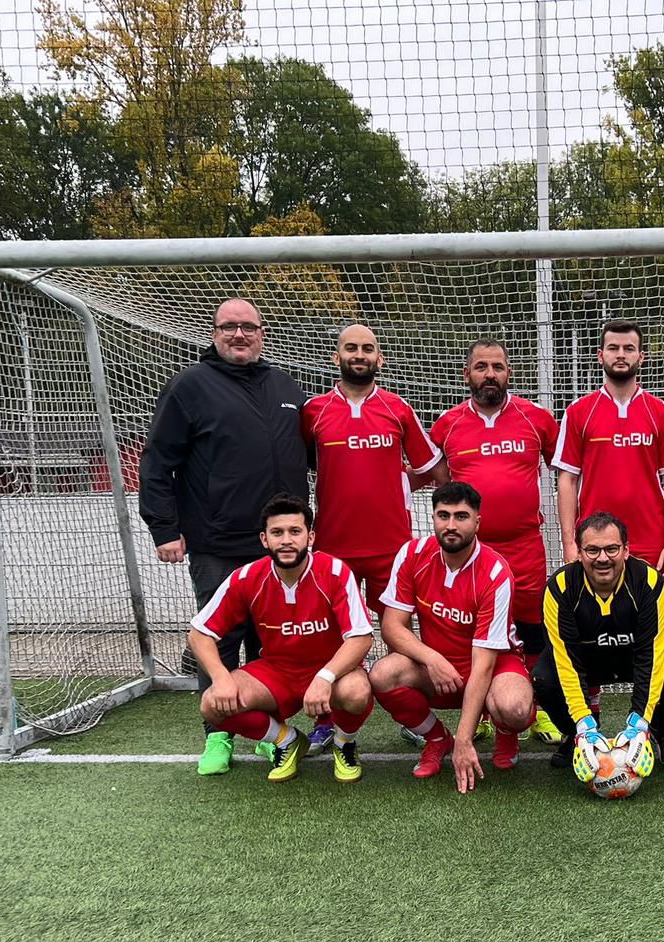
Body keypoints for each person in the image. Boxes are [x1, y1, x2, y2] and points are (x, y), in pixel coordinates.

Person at [139, 298, 313, 776]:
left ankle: (270, 731)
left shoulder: (285, 386)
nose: (239, 334)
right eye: (229, 326)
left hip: (281, 546)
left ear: (262, 333)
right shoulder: (190, 386)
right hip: (217, 542)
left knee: (269, 643)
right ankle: (217, 732)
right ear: (214, 333)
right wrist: (164, 527)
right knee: (218, 641)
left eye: (248, 327)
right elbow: (157, 461)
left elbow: (315, 456)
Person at [429, 338, 564, 746]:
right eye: (482, 367)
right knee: (475, 631)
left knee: (533, 629)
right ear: (466, 374)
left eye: (498, 367)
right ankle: (482, 710)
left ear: (509, 373)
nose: (490, 374)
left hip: (525, 547)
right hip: (472, 554)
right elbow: (438, 482)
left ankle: (538, 708)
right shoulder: (447, 425)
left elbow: (567, 471)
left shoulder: (537, 419)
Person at [187, 495, 374, 785]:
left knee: (356, 692)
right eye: (277, 532)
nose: (286, 540)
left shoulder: (335, 572)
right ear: (265, 539)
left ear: (310, 537)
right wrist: (221, 677)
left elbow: (361, 637)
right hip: (277, 672)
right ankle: (287, 740)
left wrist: (325, 677)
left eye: (295, 531)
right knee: (212, 704)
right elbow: (199, 633)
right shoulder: (247, 577)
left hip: (330, 670)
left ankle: (344, 743)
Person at [370, 482, 535, 791]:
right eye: (443, 515)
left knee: (515, 707)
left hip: (492, 665)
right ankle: (437, 738)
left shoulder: (495, 573)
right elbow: (391, 626)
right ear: (433, 517)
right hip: (439, 667)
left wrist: (465, 740)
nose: (450, 525)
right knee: (382, 674)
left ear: (477, 522)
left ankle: (505, 730)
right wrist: (432, 659)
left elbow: (484, 665)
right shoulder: (412, 554)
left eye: (461, 516)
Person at [533, 511, 664, 781]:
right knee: (543, 678)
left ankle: (659, 730)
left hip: (635, 653)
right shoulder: (559, 588)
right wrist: (582, 722)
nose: (602, 558)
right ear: (578, 553)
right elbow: (566, 661)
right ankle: (574, 734)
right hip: (585, 657)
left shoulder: (649, 582)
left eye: (611, 549)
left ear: (626, 550)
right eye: (592, 550)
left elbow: (652, 655)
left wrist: (640, 723)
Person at [301, 322, 443, 611]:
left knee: (396, 629)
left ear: (379, 359)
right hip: (333, 546)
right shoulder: (313, 410)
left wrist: (400, 483)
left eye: (367, 349)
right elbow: (299, 464)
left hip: (391, 546)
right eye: (351, 348)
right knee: (336, 630)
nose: (359, 355)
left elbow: (433, 468)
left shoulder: (398, 408)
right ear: (336, 357)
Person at [553, 320, 664, 577]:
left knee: (649, 605)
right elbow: (567, 480)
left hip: (649, 542)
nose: (621, 355)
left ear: (641, 357)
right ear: (600, 355)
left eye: (629, 348)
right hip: (594, 544)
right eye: (613, 348)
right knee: (593, 605)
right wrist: (569, 544)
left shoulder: (662, 413)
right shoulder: (579, 412)